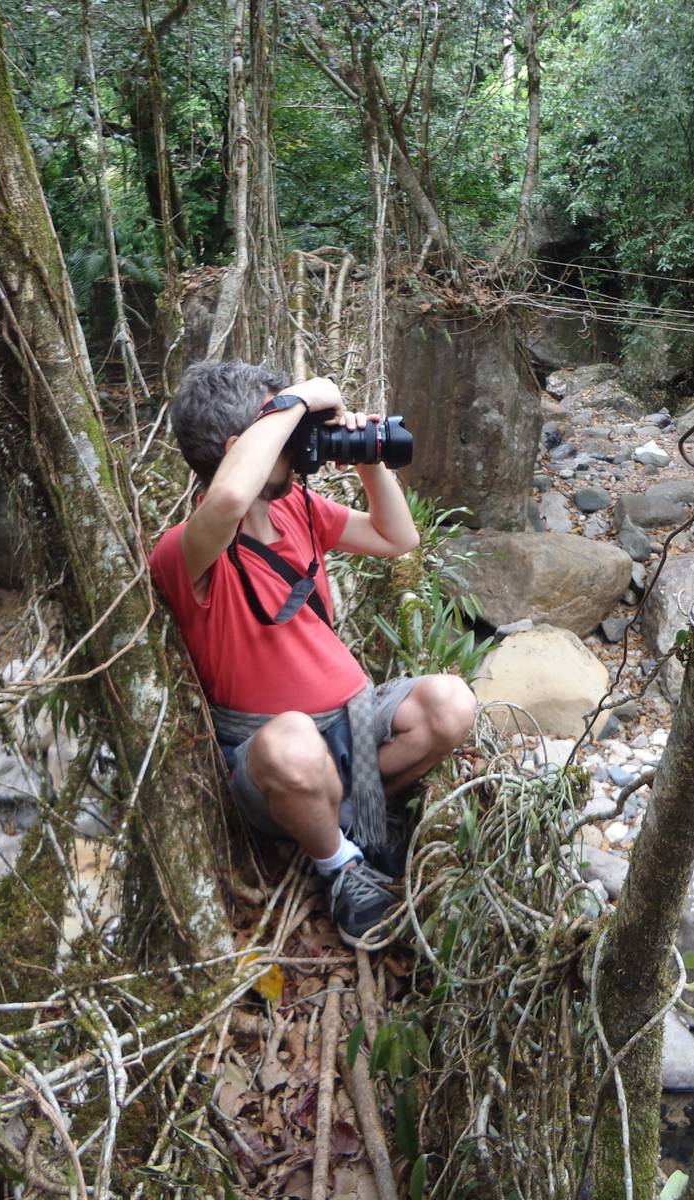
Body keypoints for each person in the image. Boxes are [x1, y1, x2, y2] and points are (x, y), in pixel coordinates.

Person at [148, 361, 477, 947]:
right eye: (283, 430)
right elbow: (226, 497)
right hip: (273, 752)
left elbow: (396, 539)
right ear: (240, 447)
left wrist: (369, 464)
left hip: (354, 720)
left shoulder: (296, 507)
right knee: (292, 741)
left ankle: (352, 817)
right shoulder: (186, 552)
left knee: (450, 702)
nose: (300, 442)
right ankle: (340, 866)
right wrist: (300, 397)